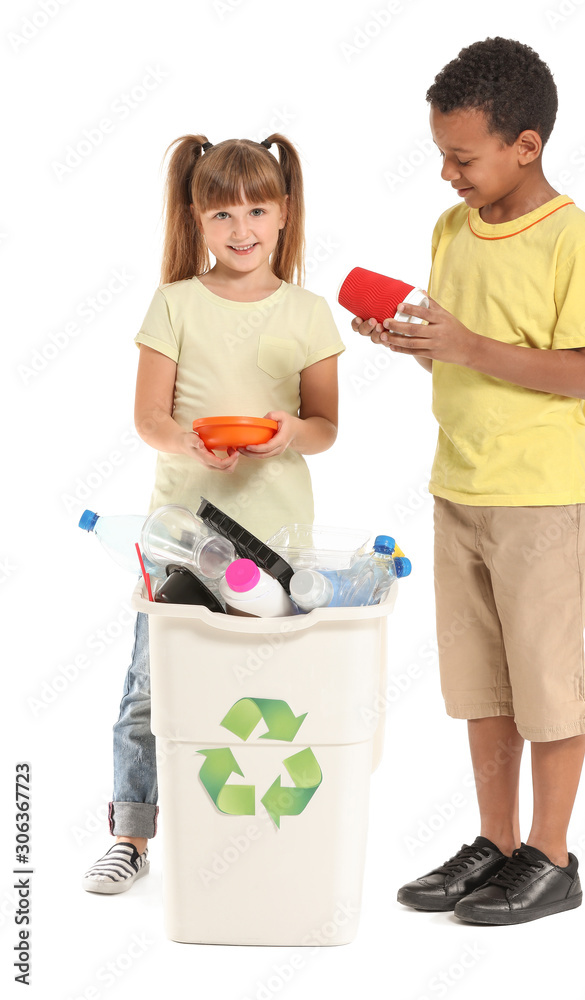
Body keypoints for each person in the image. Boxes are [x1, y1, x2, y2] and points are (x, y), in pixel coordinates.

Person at [354, 37, 585, 924]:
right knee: (481, 684)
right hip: (459, 486)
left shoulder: (574, 240)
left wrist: (468, 346)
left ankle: (552, 857)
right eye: (440, 153)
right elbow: (466, 361)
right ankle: (497, 841)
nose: (445, 173)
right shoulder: (450, 231)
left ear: (526, 145)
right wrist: (419, 346)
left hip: (540, 498)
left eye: (461, 156)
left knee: (546, 683)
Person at [83, 132, 345, 893]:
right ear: (197, 221)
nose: (241, 230)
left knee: (273, 691)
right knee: (152, 685)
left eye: (256, 210)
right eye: (221, 214)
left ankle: (261, 838)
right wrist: (191, 447)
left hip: (277, 536)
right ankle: (131, 838)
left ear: (284, 212)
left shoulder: (308, 312)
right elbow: (149, 419)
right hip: (183, 532)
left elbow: (325, 427)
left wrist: (293, 432)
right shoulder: (174, 303)